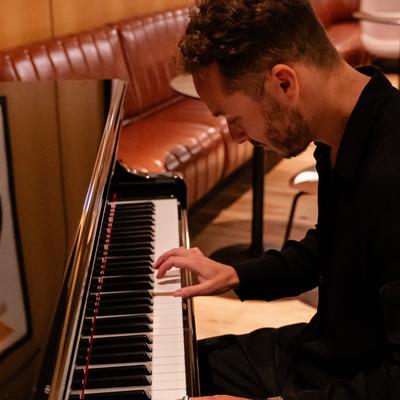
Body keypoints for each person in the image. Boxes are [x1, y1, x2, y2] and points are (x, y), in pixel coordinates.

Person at [154, 0, 400, 399]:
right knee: (168, 372)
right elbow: (334, 246)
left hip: (358, 377)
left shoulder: (391, 170)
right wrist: (236, 274)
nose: (235, 137)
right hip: (326, 349)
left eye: (233, 118)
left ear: (284, 83)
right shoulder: (341, 131)